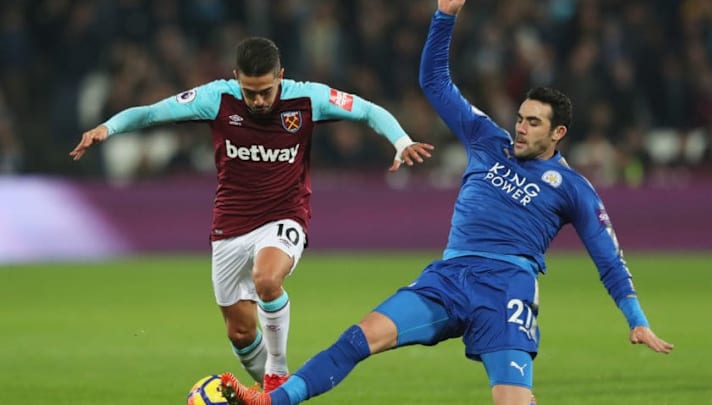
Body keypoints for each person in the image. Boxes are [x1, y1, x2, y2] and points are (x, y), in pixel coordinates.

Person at [216, 1, 674, 404]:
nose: (520, 128)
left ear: (558, 134)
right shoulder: (486, 138)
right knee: (358, 339)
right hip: (449, 277)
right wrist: (444, 18)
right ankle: (271, 402)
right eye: (520, 118)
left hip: (506, 290)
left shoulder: (574, 189)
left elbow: (609, 260)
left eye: (533, 123)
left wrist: (636, 319)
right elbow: (434, 81)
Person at [69, 37, 434, 393]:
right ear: (235, 78)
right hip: (230, 225)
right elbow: (151, 113)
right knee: (240, 333)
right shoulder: (217, 98)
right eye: (249, 92)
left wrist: (401, 141)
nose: (258, 100)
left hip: (285, 215)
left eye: (265, 91)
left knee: (267, 279)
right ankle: (275, 393)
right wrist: (108, 128)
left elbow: (369, 110)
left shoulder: (307, 98)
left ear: (281, 77)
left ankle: (277, 373)